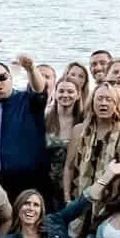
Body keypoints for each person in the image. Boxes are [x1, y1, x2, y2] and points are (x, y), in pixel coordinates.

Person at [0, 46, 53, 202]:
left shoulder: (28, 101)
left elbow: (39, 89)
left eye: (2, 77)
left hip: (32, 184)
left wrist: (31, 68)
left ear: (10, 77)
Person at [64, 83, 120, 205]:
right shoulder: (79, 130)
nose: (103, 103)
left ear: (117, 103)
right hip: (81, 199)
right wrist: (67, 199)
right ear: (92, 102)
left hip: (116, 200)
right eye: (99, 98)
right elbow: (69, 167)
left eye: (109, 99)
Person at [42, 75, 87, 207]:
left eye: (70, 91)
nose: (65, 95)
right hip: (46, 182)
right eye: (61, 91)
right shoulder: (45, 119)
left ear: (78, 95)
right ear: (55, 94)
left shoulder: (84, 121)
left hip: (75, 183)